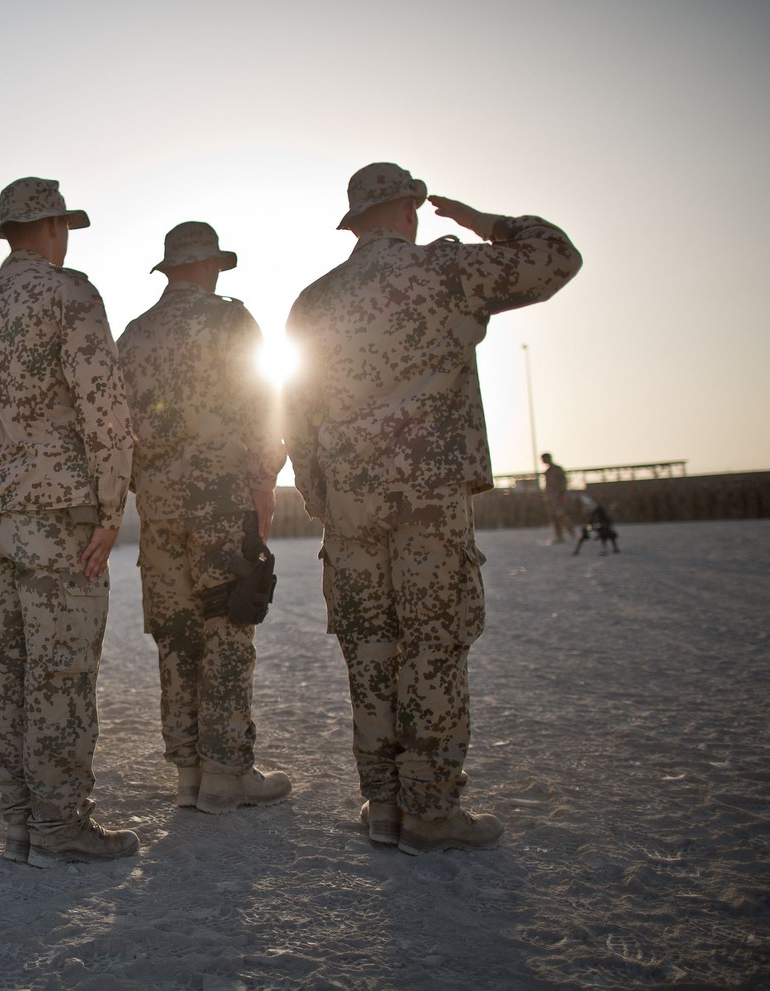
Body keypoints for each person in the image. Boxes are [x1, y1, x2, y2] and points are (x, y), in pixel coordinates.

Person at [285, 163, 582, 855]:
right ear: (413, 210)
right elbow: (556, 258)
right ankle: (431, 809)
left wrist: (327, 499)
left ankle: (383, 803)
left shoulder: (314, 301)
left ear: (356, 222)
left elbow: (295, 417)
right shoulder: (441, 273)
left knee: (370, 646)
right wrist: (486, 224)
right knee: (434, 642)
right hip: (429, 498)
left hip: (351, 507)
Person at [0, 177, 138, 867]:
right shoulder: (69, 294)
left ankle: (23, 819)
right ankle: (60, 826)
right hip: (59, 512)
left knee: (12, 665)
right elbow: (104, 408)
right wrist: (111, 507)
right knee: (61, 668)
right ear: (54, 229)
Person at [118, 221, 293, 813]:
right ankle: (226, 771)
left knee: (176, 634)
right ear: (211, 265)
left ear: (170, 270)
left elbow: (115, 424)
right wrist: (266, 479)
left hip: (159, 509)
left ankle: (188, 771)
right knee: (226, 629)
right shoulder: (229, 320)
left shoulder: (134, 335)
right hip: (220, 501)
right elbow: (261, 399)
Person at [540, 453, 574, 544]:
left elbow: (563, 482)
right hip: (550, 497)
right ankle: (560, 536)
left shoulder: (557, 469)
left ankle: (572, 534)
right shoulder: (548, 471)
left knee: (561, 516)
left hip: (558, 496)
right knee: (554, 517)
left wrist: (562, 494)